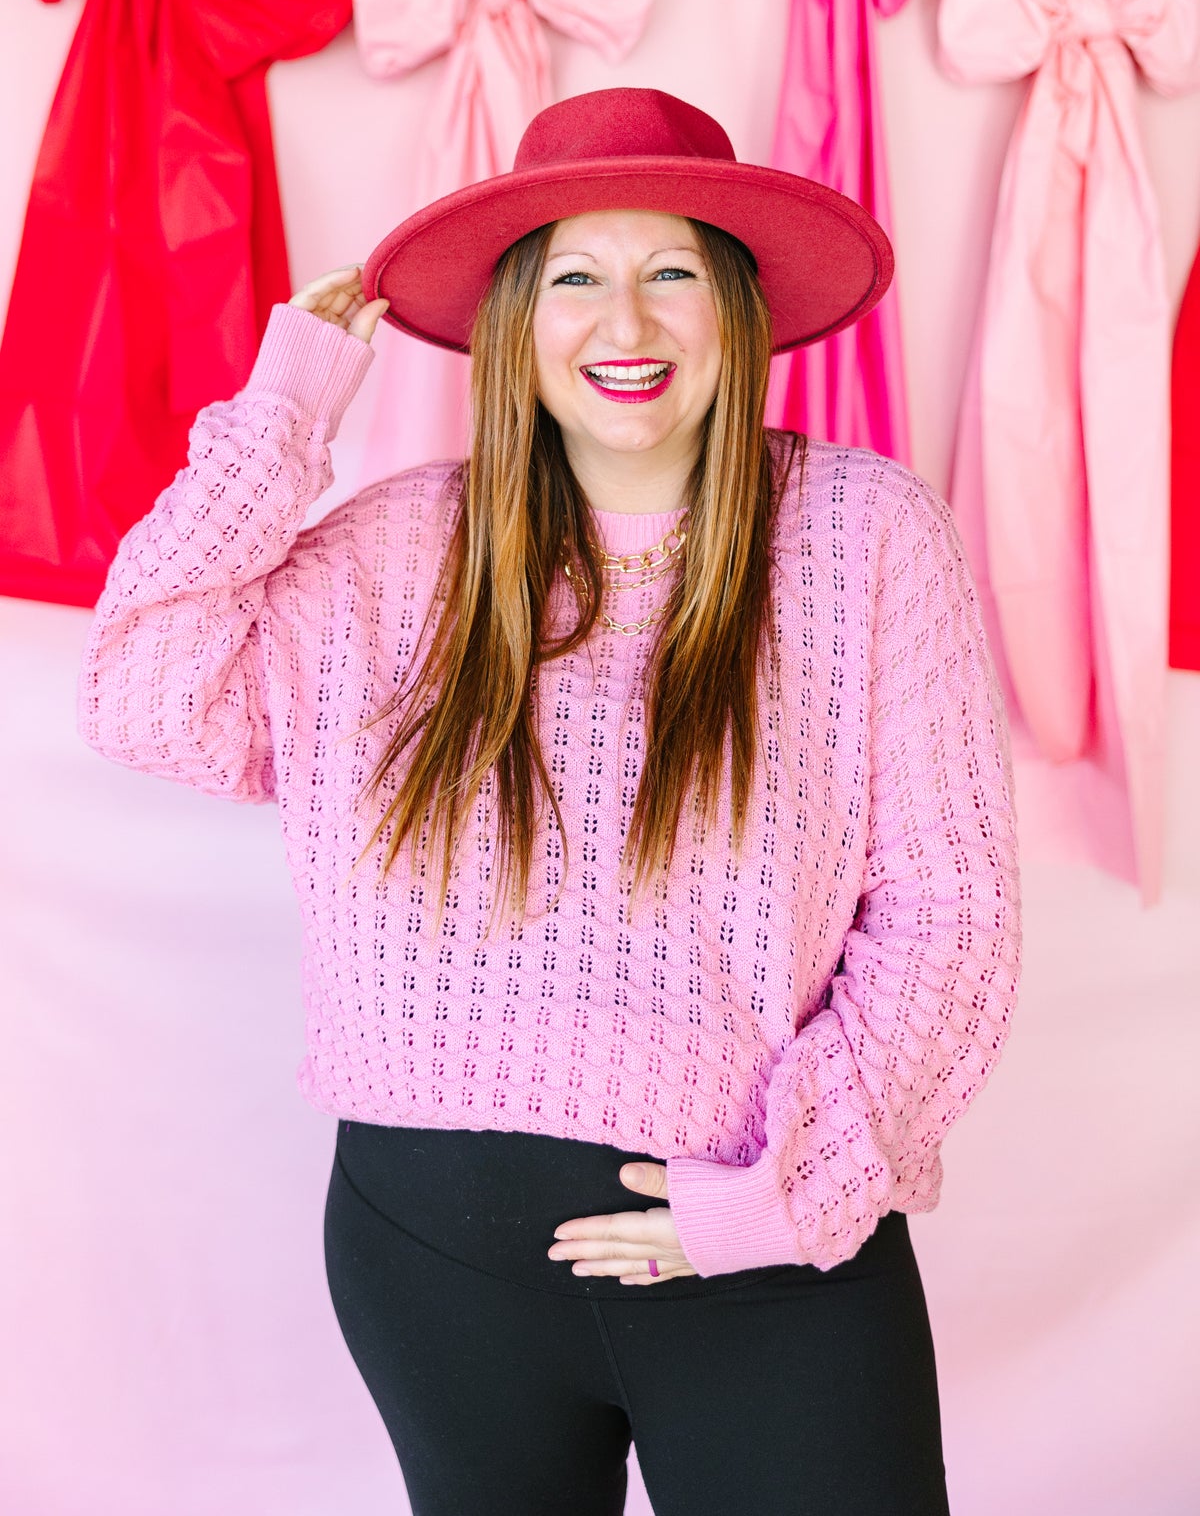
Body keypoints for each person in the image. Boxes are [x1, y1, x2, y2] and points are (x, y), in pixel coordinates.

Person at [78, 87, 1021, 1515]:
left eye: (672, 274)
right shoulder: (396, 554)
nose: (624, 324)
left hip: (763, 1267)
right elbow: (145, 691)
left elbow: (949, 915)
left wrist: (781, 1196)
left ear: (738, 309)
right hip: (437, 1281)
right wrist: (282, 414)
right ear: (518, 318)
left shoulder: (863, 534)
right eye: (576, 275)